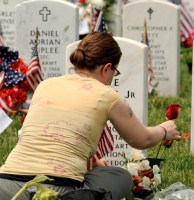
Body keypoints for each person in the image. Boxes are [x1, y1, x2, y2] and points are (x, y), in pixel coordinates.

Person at [0, 32, 181, 200]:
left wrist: (92, 161)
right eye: (114, 72)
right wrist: (164, 130)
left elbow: (52, 132)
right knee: (121, 176)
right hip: (60, 188)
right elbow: (141, 139)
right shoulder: (107, 95)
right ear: (107, 67)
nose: (111, 78)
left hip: (7, 184)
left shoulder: (45, 85)